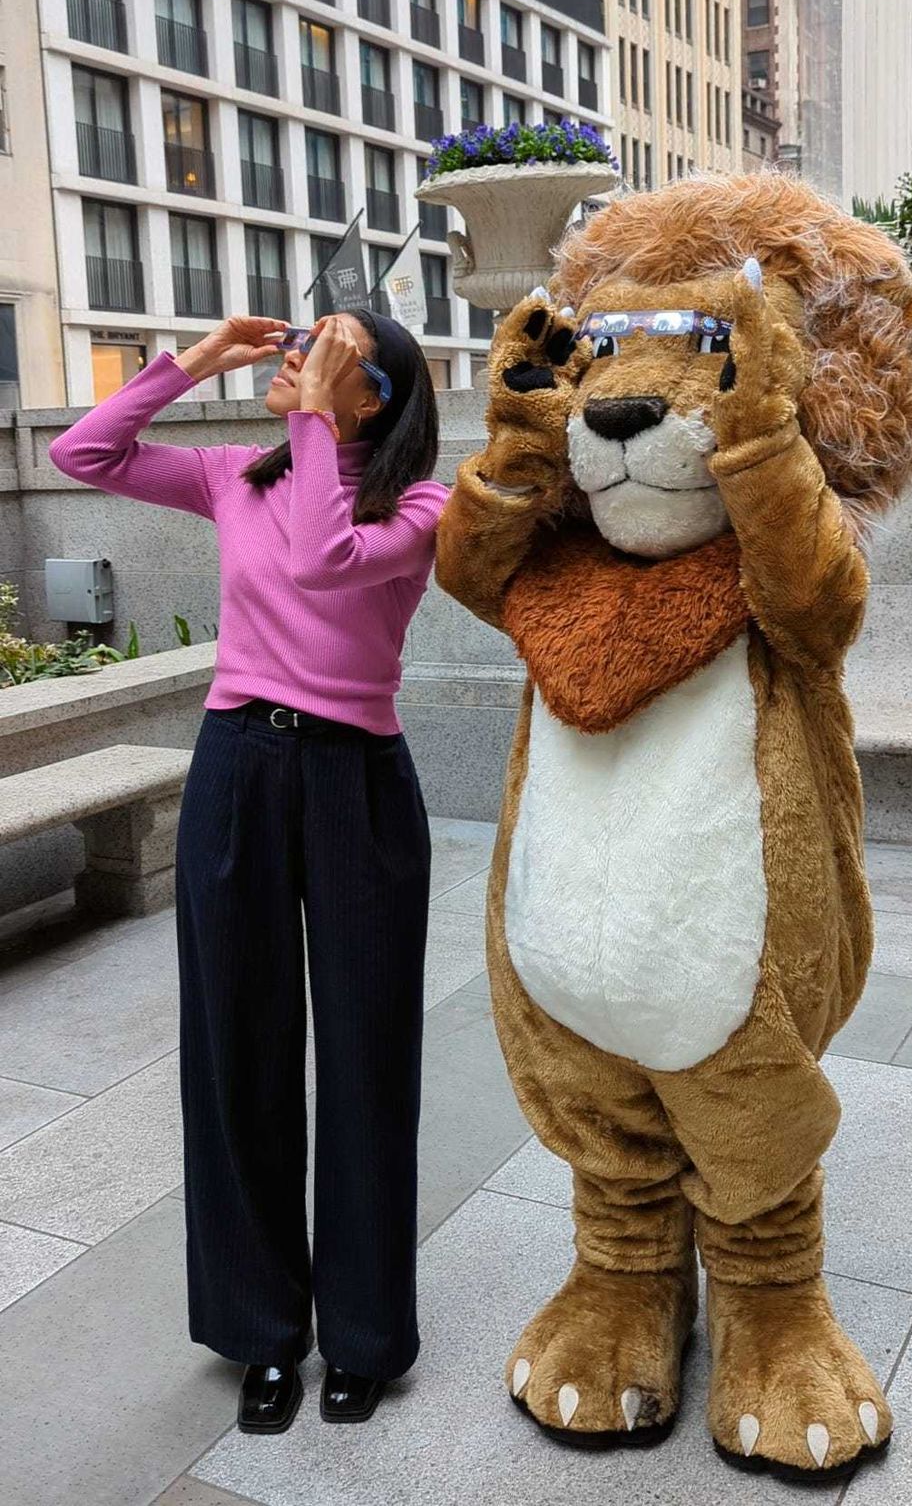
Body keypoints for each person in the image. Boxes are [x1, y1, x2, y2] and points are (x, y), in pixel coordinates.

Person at [49, 310, 448, 1433]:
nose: (295, 358)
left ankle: (364, 1334)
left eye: (328, 351)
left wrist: (312, 419)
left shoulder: (421, 505)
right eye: (296, 343)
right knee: (238, 1046)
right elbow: (80, 454)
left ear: (374, 395)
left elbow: (325, 561)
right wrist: (196, 362)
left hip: (358, 777)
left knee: (368, 1052)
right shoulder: (236, 475)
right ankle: (261, 1328)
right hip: (238, 766)